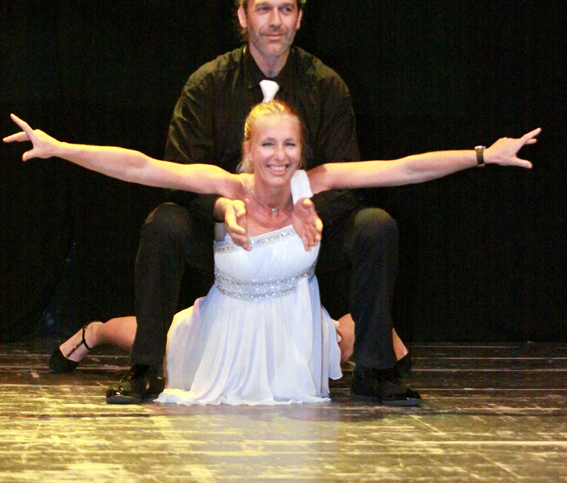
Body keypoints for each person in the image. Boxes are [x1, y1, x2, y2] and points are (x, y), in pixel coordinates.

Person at [5, 108, 539, 405]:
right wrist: (61, 149)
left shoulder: (315, 183)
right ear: (248, 149)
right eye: (267, 144)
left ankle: (355, 331)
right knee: (166, 340)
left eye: (289, 145)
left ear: (301, 151)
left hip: (293, 328)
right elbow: (140, 167)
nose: (279, 156)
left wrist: (483, 156)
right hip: (227, 329)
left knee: (341, 342)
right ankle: (98, 331)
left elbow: (404, 169)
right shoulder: (226, 188)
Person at [95, 0, 414, 405]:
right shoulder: (207, 85)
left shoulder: (327, 86)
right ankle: (145, 369)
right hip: (225, 240)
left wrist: (299, 213)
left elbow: (347, 179)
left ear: (299, 18)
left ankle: (375, 369)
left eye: (286, 9)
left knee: (375, 225)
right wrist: (224, 209)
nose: (275, 21)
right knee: (164, 223)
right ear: (243, 16)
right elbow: (176, 175)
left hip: (301, 237)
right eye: (264, 9)